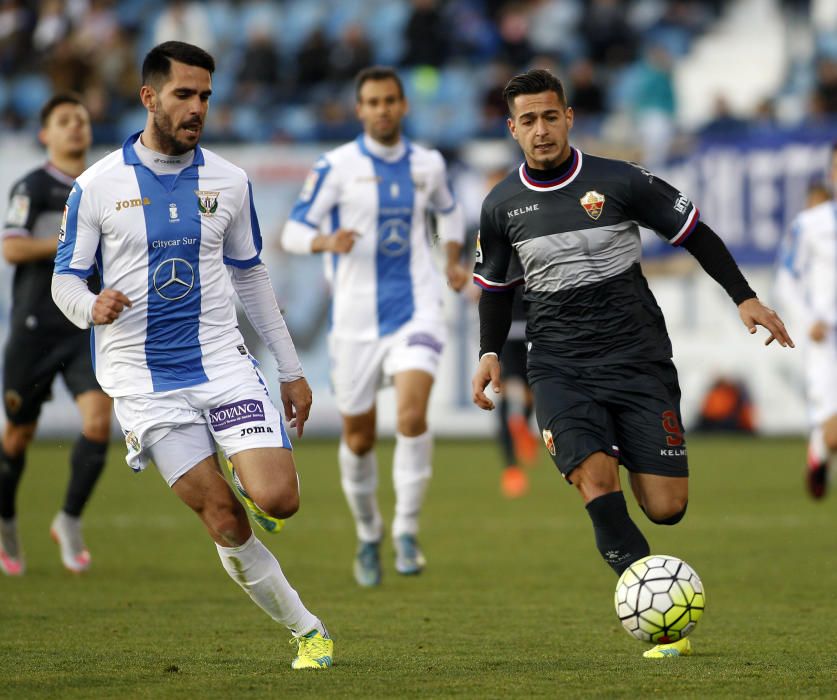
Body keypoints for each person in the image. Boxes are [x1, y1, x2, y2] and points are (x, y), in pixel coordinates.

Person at [470, 69, 794, 659]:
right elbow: (494, 286)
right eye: (528, 120)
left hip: (639, 359)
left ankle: (648, 556)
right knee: (594, 477)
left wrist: (744, 296)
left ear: (569, 117)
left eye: (550, 116)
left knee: (666, 509)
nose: (541, 130)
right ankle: (658, 611)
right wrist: (490, 352)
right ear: (511, 128)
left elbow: (696, 232)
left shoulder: (619, 180)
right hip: (560, 364)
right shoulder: (500, 206)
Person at [51, 41, 332, 670]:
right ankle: (308, 631)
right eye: (184, 94)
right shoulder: (97, 185)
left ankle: (244, 462)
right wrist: (88, 306)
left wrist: (291, 369)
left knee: (279, 500)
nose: (197, 107)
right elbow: (64, 278)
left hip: (223, 364)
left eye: (205, 95)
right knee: (222, 515)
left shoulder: (229, 181)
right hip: (143, 382)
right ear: (150, 97)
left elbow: (252, 277)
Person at [281, 66, 467, 587]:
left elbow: (450, 215)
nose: (382, 109)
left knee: (410, 416)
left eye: (390, 100)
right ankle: (369, 534)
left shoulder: (428, 163)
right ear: (359, 110)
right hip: (355, 322)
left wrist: (452, 259)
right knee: (359, 439)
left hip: (417, 306)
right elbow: (293, 232)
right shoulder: (335, 166)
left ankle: (407, 530)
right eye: (372, 101)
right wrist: (324, 241)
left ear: (403, 106)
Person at [0, 93, 111, 577]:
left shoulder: (106, 185)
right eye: (64, 121)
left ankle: (68, 520)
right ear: (46, 134)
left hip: (82, 323)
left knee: (98, 422)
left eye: (82, 120)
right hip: (36, 327)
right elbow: (12, 247)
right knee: (19, 436)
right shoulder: (33, 187)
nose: (75, 128)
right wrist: (70, 241)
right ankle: (5, 522)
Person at [775, 158, 837, 499]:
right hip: (825, 336)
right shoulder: (810, 225)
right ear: (832, 173)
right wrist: (807, 319)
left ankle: (818, 457)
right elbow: (786, 279)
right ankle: (819, 453)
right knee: (833, 435)